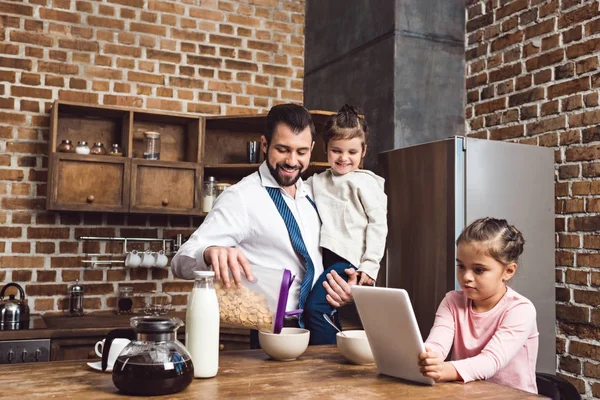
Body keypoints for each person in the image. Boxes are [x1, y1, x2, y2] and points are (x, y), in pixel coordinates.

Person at [171, 103, 324, 340]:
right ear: (264, 144)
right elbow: (180, 262)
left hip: (321, 324)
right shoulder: (240, 197)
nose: (292, 161)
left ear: (312, 148)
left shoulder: (315, 194)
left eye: (301, 152)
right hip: (271, 331)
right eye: (282, 150)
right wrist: (208, 252)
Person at [418, 217, 539, 394]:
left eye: (479, 270)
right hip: (466, 395)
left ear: (508, 271)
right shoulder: (452, 301)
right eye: (461, 266)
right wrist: (428, 358)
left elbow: (490, 361)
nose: (466, 276)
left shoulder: (521, 310)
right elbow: (437, 345)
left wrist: (442, 370)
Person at [302, 104, 387, 345]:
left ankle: (327, 355)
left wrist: (369, 266)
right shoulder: (317, 181)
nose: (344, 158)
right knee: (324, 308)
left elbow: (378, 224)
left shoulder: (365, 183)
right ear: (325, 150)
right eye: (336, 150)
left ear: (363, 151)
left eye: (352, 151)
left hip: (348, 260)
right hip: (325, 257)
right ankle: (339, 349)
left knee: (316, 308)